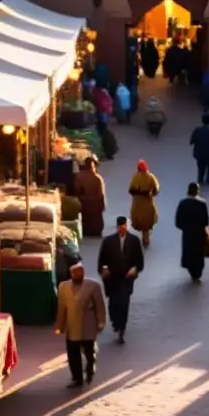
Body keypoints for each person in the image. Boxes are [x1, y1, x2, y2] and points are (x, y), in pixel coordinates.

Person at [55, 262, 106, 387]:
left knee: (89, 352)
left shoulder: (93, 286)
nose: (78, 274)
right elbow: (61, 308)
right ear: (71, 273)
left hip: (88, 326)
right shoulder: (63, 287)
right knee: (73, 354)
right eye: (75, 271)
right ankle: (77, 378)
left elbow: (100, 305)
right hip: (72, 327)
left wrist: (101, 322)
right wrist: (59, 326)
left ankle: (90, 367)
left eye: (81, 271)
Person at [97, 216, 145, 344]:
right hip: (112, 279)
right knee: (113, 304)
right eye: (120, 227)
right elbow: (102, 260)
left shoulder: (134, 241)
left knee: (124, 304)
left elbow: (139, 262)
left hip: (126, 279)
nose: (122, 229)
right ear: (117, 227)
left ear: (127, 226)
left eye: (124, 227)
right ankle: (115, 322)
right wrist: (104, 269)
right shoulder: (108, 242)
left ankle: (122, 328)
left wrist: (134, 270)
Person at [176, 182, 209, 282]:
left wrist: (185, 228)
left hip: (188, 233)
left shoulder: (183, 203)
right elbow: (206, 221)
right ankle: (198, 271)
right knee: (199, 253)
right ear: (197, 191)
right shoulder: (202, 204)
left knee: (189, 251)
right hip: (199, 233)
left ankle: (191, 270)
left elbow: (178, 221)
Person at [129, 160, 160, 248]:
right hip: (147, 202)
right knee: (146, 221)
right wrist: (150, 194)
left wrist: (138, 193)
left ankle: (145, 237)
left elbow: (131, 190)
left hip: (137, 203)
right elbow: (156, 189)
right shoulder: (150, 177)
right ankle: (146, 238)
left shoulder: (135, 177)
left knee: (140, 219)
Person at [73, 156, 106, 237]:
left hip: (83, 204)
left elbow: (76, 190)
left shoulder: (79, 177)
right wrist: (102, 206)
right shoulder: (97, 178)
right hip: (95, 206)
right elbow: (100, 195)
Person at [190, 114, 209, 186]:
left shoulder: (197, 131)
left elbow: (191, 141)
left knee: (200, 166)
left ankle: (200, 178)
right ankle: (208, 178)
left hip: (199, 153)